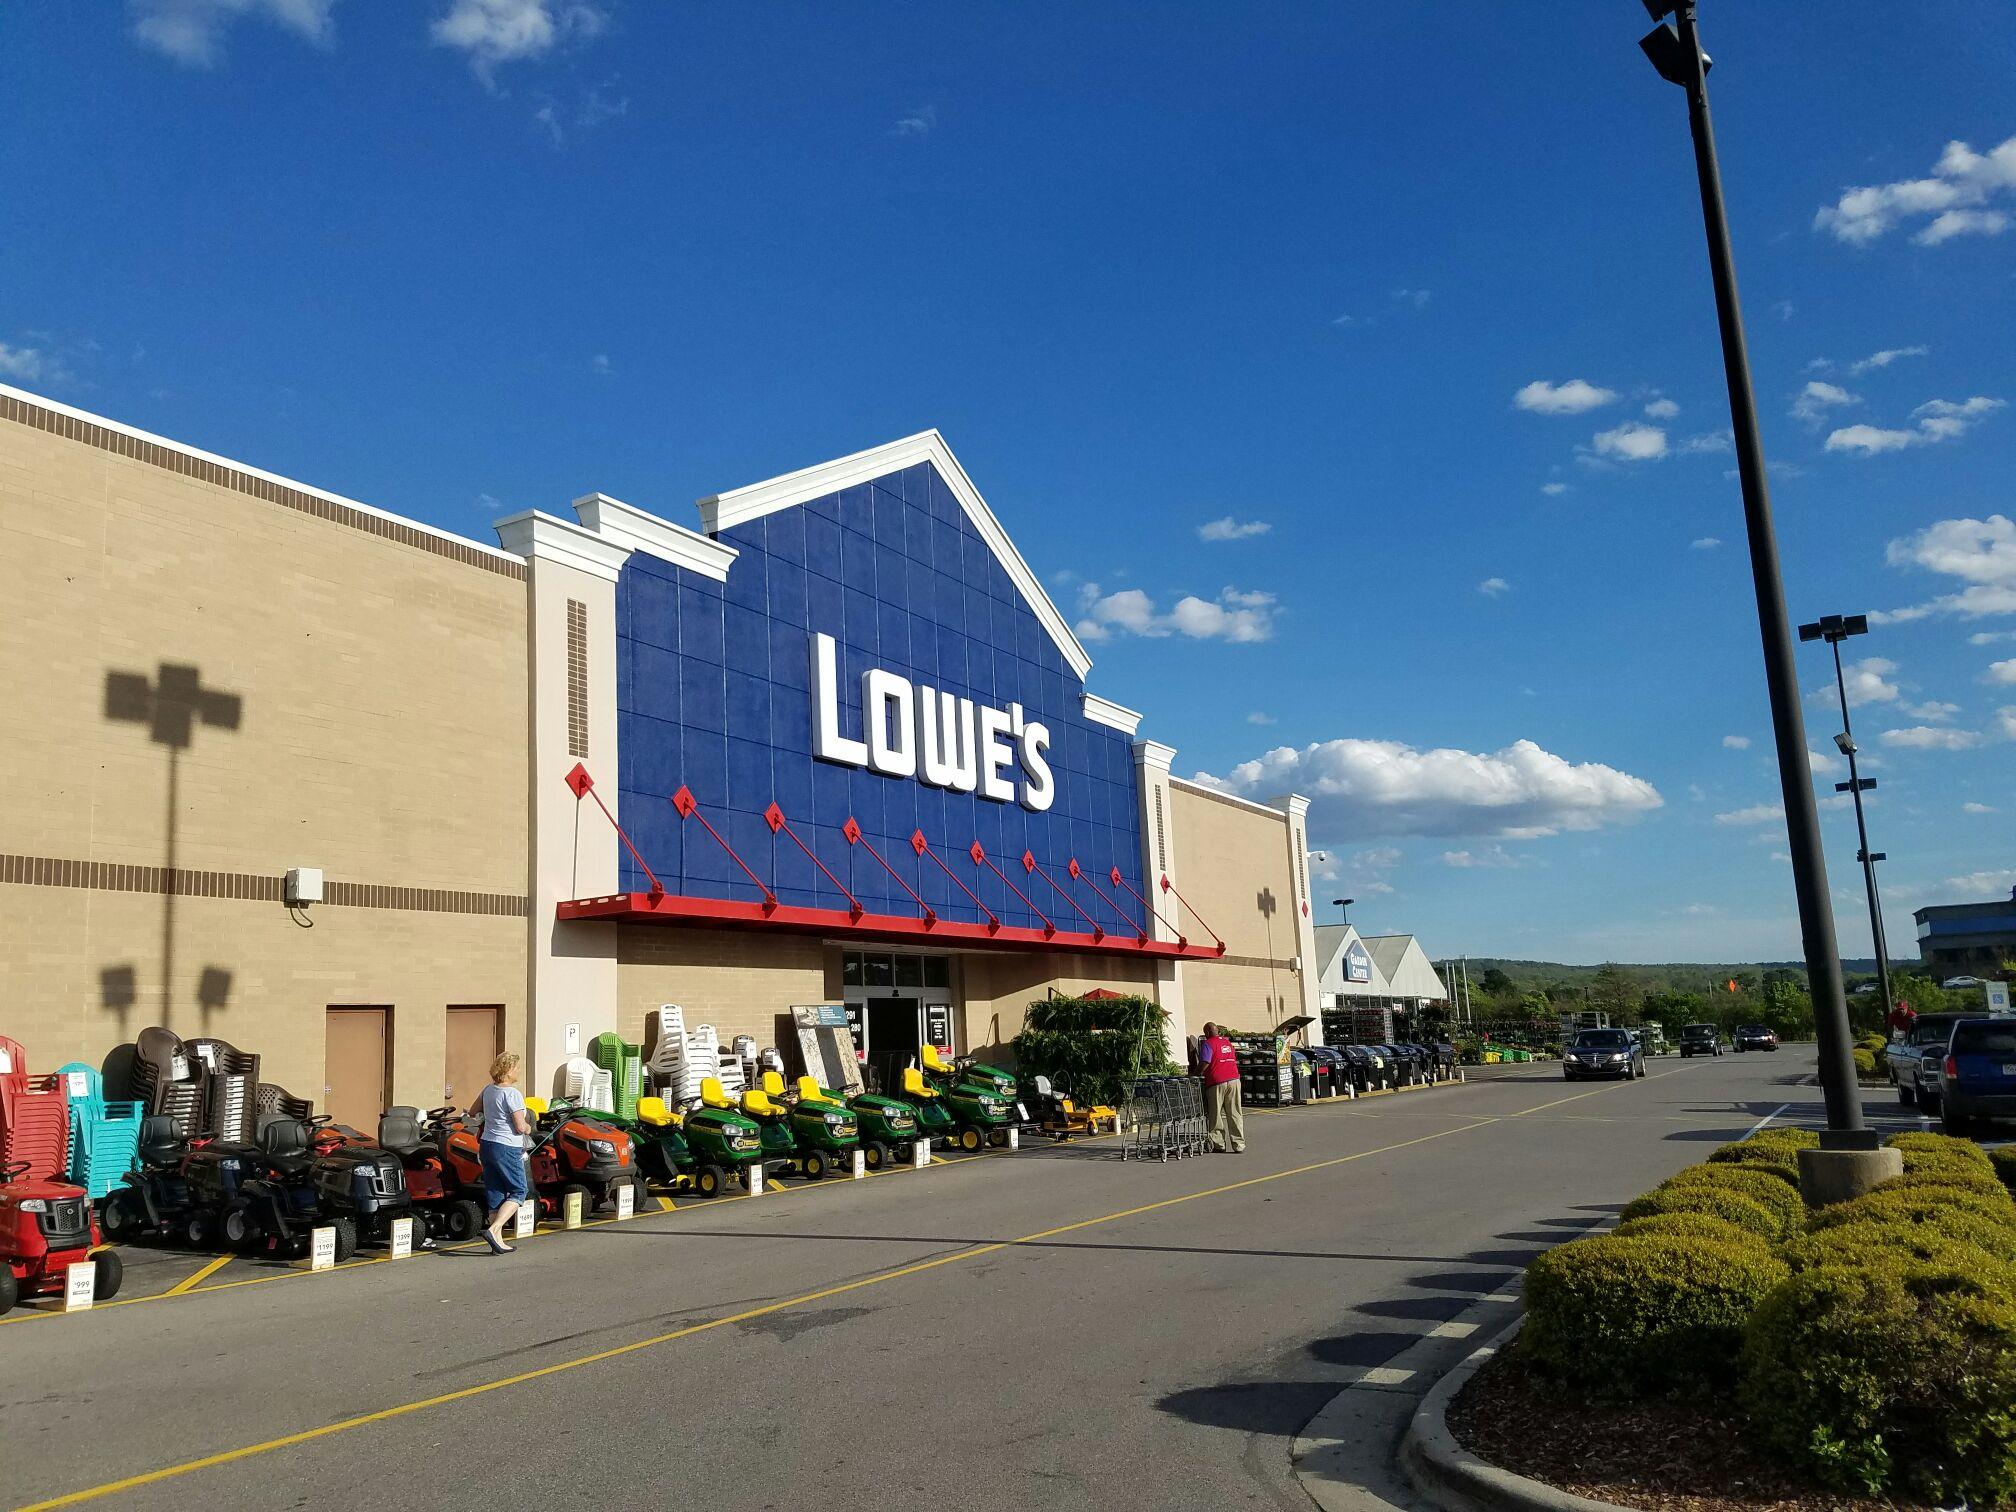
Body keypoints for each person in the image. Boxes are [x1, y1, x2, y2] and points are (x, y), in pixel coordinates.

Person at [476, 1051, 533, 1254]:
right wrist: (528, 1127)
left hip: (487, 1144)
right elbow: (519, 1126)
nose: (518, 1071)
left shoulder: (488, 1090)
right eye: (516, 1068)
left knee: (495, 1190)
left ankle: (497, 1242)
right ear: (508, 1071)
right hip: (507, 1146)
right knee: (519, 1190)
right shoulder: (513, 1094)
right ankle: (494, 1229)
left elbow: (475, 1111)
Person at [1196, 1021, 1245, 1154]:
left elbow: (1205, 1062)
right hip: (1234, 1079)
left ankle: (1219, 1144)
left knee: (1216, 1113)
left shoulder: (1208, 1043)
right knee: (1235, 1112)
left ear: (1207, 1032)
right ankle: (1239, 1144)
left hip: (1217, 1082)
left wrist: (1196, 1073)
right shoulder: (1227, 1043)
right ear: (1217, 1031)